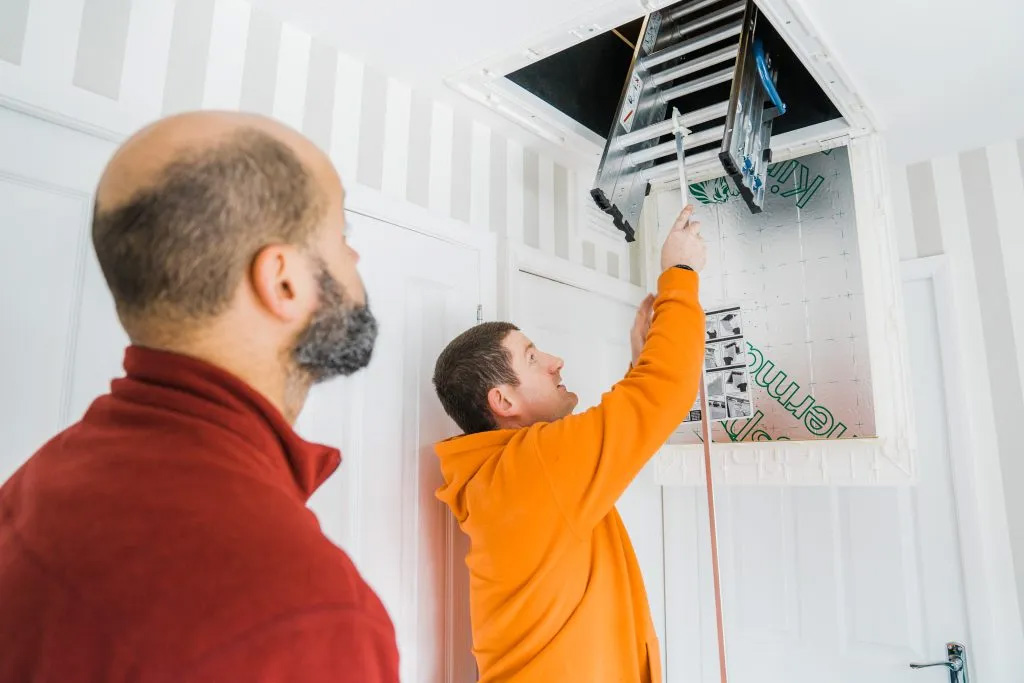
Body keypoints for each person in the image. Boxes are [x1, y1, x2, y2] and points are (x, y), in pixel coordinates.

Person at [0, 112, 398, 682]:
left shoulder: (49, 478)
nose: (355, 261)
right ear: (283, 282)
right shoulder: (303, 614)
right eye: (341, 238)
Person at [431, 205, 707, 682]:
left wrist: (642, 366)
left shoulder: (510, 478)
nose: (556, 361)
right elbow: (664, 392)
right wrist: (679, 275)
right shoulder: (530, 470)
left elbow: (628, 423)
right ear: (503, 399)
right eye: (532, 357)